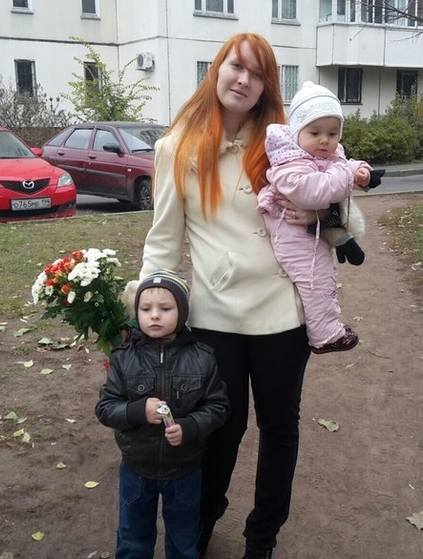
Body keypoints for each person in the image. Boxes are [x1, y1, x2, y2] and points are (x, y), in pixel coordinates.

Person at [126, 32, 330, 559]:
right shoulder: (177, 148)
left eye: (258, 74)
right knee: (221, 427)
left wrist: (322, 213)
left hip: (284, 314)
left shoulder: (286, 144)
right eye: (237, 67)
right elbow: (164, 242)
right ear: (217, 70)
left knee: (279, 427)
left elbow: (339, 204)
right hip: (216, 317)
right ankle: (202, 522)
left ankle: (262, 538)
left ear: (267, 88)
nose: (244, 80)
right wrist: (147, 312)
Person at [96, 269, 230, 559]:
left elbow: (218, 407)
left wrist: (190, 427)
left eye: (165, 309)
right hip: (136, 468)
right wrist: (137, 410)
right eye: (146, 309)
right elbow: (105, 408)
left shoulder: (203, 357)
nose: (154, 315)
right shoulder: (123, 357)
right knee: (133, 538)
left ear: (182, 313)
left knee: (184, 541)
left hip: (184, 470)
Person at [257, 81, 371, 354]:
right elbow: (315, 192)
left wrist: (361, 170)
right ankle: (325, 336)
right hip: (292, 237)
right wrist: (347, 175)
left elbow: (341, 164)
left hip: (308, 232)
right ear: (297, 133)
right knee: (315, 281)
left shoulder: (317, 156)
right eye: (315, 132)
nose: (325, 140)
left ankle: (329, 326)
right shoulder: (288, 164)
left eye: (332, 133)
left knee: (324, 277)